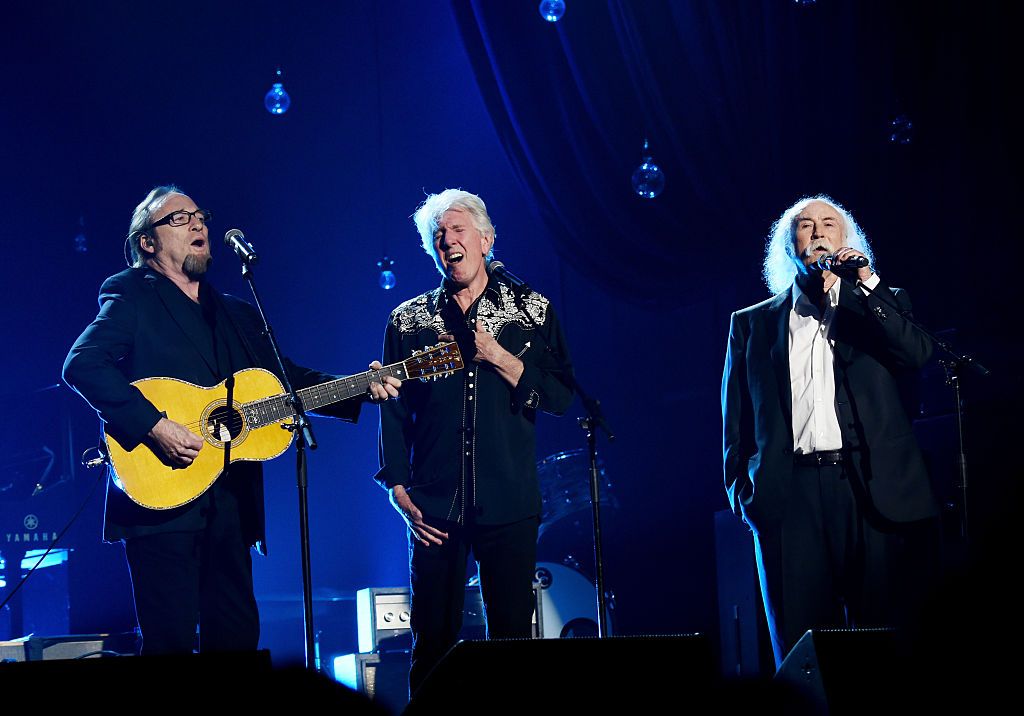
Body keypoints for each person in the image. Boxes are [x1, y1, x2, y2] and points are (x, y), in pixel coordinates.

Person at [62, 185, 400, 655]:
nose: (198, 224)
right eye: (180, 219)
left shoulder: (237, 312)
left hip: (230, 501)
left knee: (238, 640)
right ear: (148, 243)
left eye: (200, 216)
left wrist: (361, 386)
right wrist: (155, 426)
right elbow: (83, 364)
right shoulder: (132, 295)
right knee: (171, 645)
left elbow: (286, 380)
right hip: (161, 498)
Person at [721, 195, 940, 668]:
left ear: (846, 241)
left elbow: (917, 355)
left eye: (829, 224)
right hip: (788, 496)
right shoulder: (752, 324)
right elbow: (734, 424)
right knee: (802, 655)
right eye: (805, 225)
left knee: (881, 641)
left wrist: (864, 281)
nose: (818, 233)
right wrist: (745, 494)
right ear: (789, 244)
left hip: (869, 489)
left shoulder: (879, 307)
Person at [375, 189, 574, 695]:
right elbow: (394, 409)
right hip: (433, 507)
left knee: (510, 638)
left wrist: (499, 356)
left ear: (486, 240)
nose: (448, 241)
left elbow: (559, 394)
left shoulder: (530, 310)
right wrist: (398, 487)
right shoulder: (407, 320)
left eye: (458, 230)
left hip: (509, 501)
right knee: (432, 640)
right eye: (438, 235)